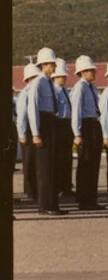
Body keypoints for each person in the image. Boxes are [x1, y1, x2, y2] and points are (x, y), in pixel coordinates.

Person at [28, 47, 66, 215]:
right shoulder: (37, 82)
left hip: (52, 121)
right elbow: (32, 108)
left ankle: (53, 203)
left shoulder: (49, 82)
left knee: (54, 165)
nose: (54, 67)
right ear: (44, 64)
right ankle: (44, 205)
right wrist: (36, 133)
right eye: (51, 64)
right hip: (42, 122)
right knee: (44, 167)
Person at [70, 55, 103, 210]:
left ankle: (91, 198)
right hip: (85, 125)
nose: (94, 72)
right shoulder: (79, 88)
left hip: (94, 124)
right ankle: (84, 199)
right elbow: (76, 111)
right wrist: (77, 133)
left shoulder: (93, 87)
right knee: (86, 163)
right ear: (83, 72)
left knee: (94, 163)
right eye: (90, 70)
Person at [17, 63, 40, 202]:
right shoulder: (24, 94)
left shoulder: (36, 92)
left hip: (36, 129)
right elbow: (22, 116)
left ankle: (36, 190)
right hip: (28, 131)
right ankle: (31, 192)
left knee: (37, 162)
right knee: (30, 162)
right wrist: (22, 135)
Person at [52, 59, 74, 197]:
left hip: (67, 123)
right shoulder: (53, 91)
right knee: (59, 158)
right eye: (61, 76)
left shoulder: (66, 90)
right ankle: (59, 186)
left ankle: (67, 186)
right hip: (58, 124)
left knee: (67, 157)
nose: (64, 78)